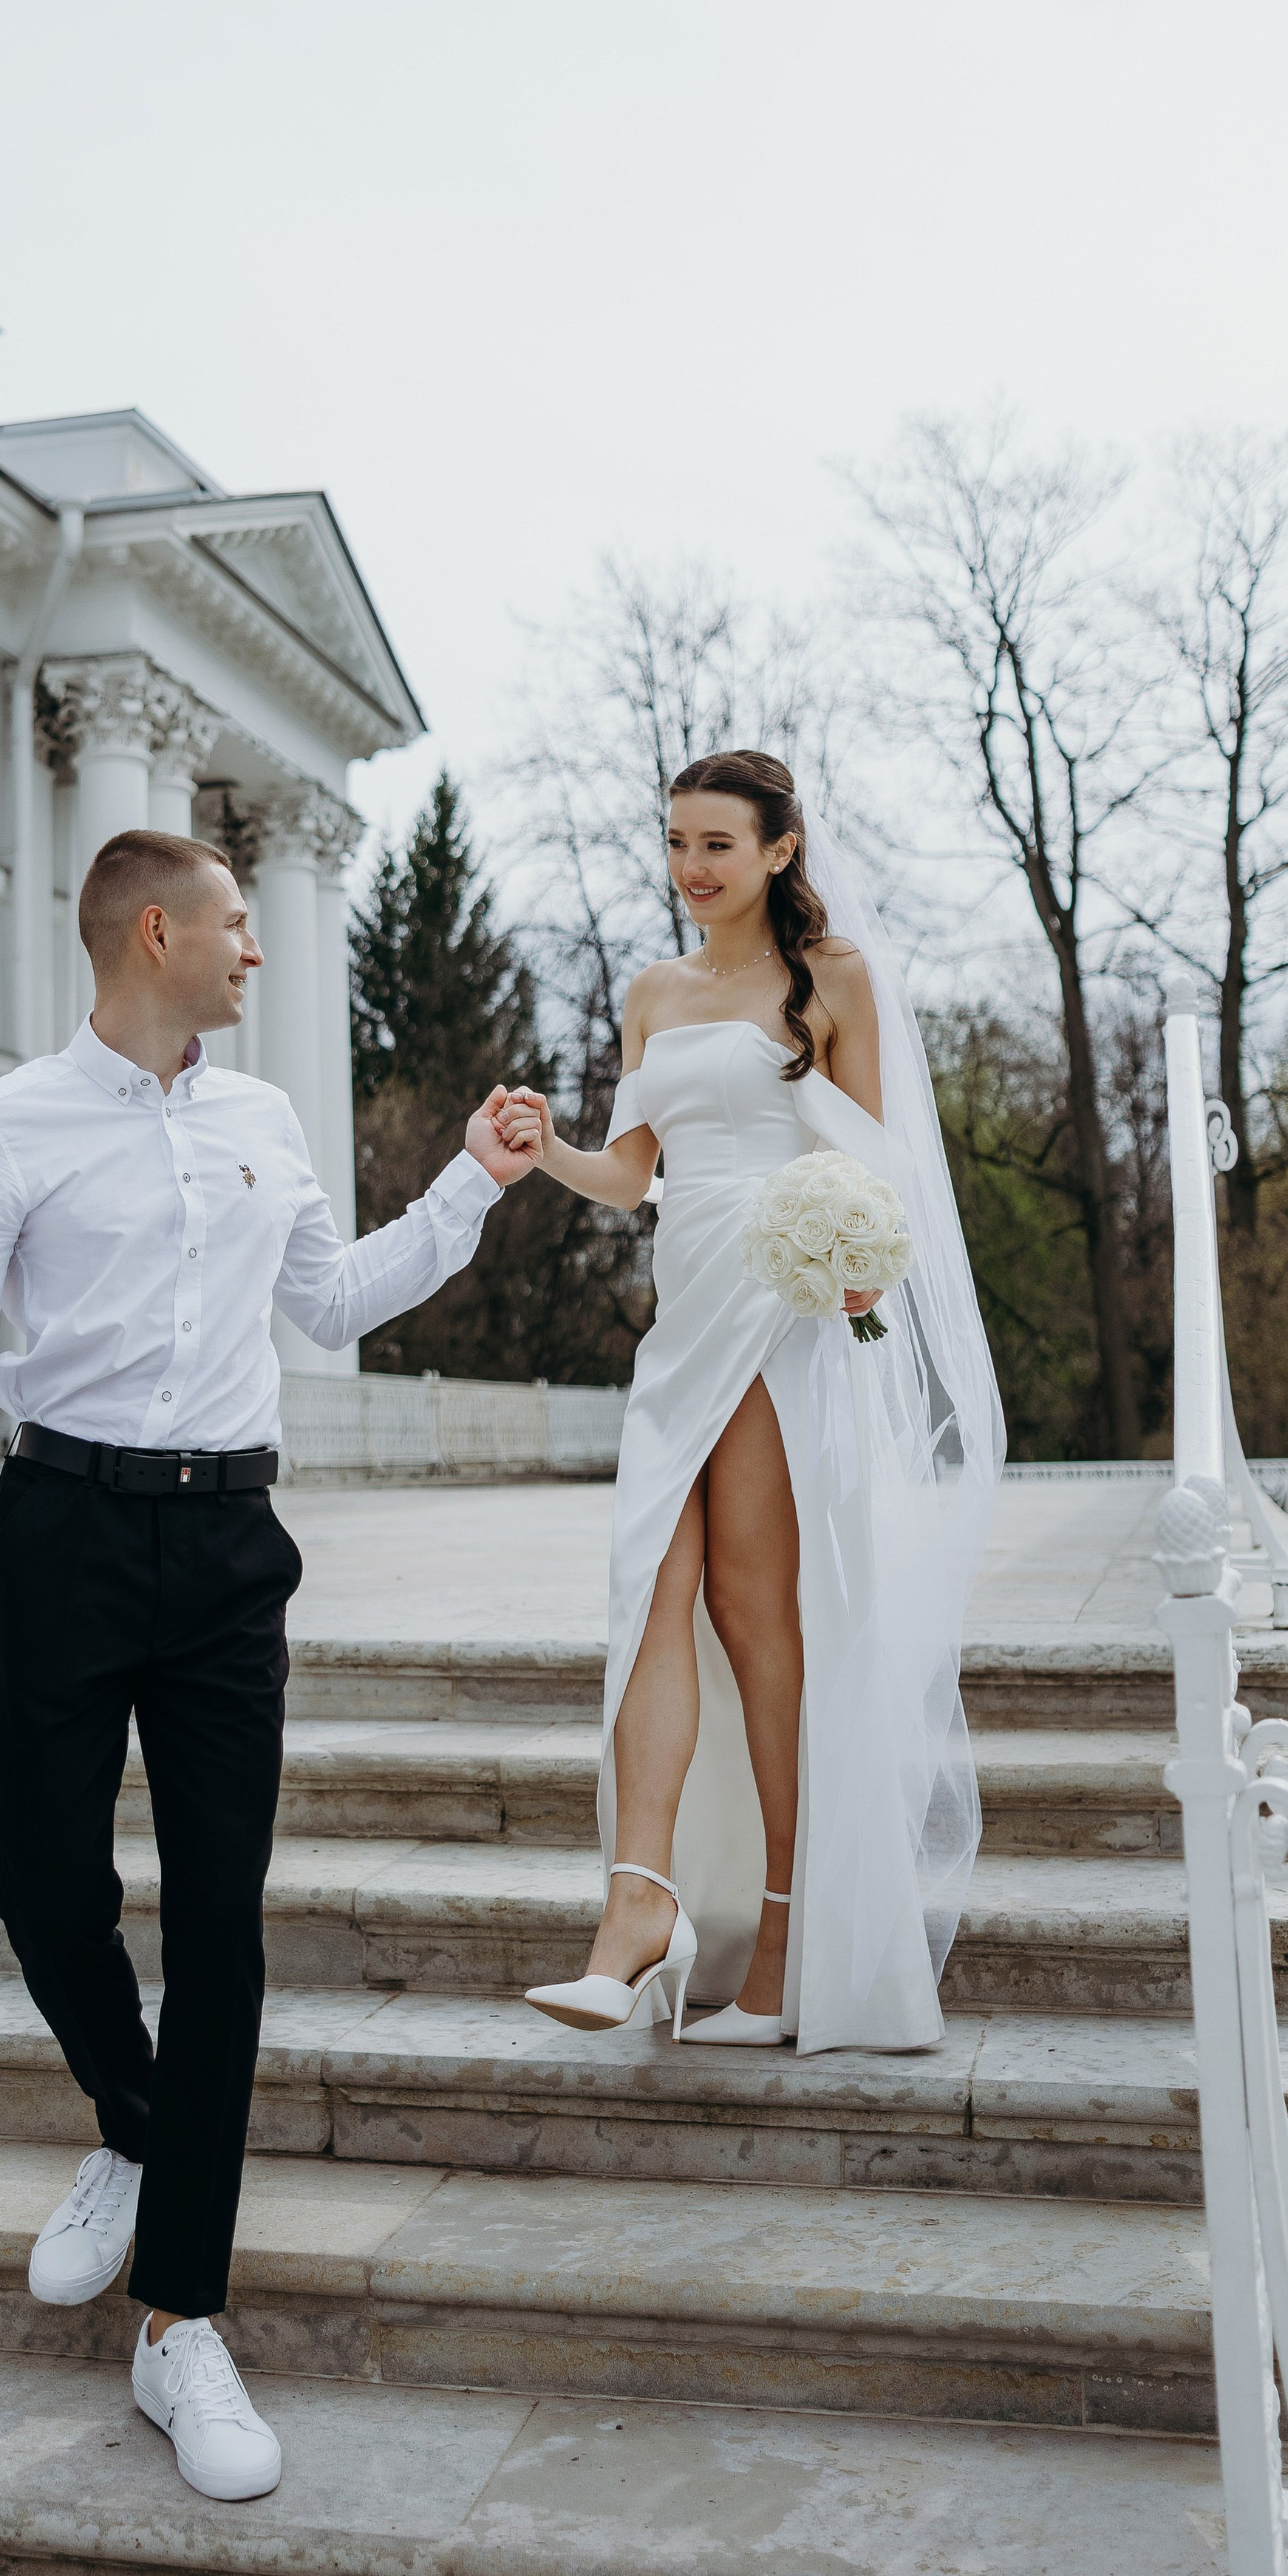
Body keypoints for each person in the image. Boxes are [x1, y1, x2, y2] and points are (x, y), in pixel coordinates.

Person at [0, 826, 534, 2504]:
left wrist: (469, 1180)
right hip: (63, 1529)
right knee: (40, 1880)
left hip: (232, 1545)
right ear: (156, 933)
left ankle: (180, 2316)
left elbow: (333, 1303)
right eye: (237, 924)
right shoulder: (8, 1123)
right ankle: (134, 2118)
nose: (257, 948)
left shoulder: (265, 1118)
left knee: (222, 1927)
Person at [499, 752, 1002, 2053]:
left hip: (783, 1319)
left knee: (750, 1610)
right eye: (676, 841)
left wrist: (845, 1255)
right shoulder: (653, 992)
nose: (691, 867)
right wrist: (547, 1148)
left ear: (780, 849)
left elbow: (882, 1164)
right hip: (685, 1323)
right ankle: (638, 1905)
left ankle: (783, 1940)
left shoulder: (832, 979)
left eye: (716, 843)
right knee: (647, 1593)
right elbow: (635, 1173)